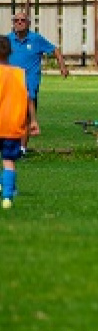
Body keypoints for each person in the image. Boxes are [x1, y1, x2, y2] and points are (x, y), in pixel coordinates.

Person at [8, 11, 69, 141]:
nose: (19, 22)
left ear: (29, 23)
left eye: (23, 20)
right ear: (13, 23)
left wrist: (62, 67)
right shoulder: (8, 39)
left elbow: (55, 50)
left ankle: (22, 148)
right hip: (11, 83)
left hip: (30, 81)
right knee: (10, 116)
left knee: (26, 116)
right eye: (16, 20)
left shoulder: (36, 39)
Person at [0, 35, 32, 209]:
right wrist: (32, 120)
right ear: (10, 51)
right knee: (9, 161)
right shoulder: (19, 73)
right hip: (12, 125)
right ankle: (7, 197)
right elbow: (28, 98)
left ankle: (4, 185)